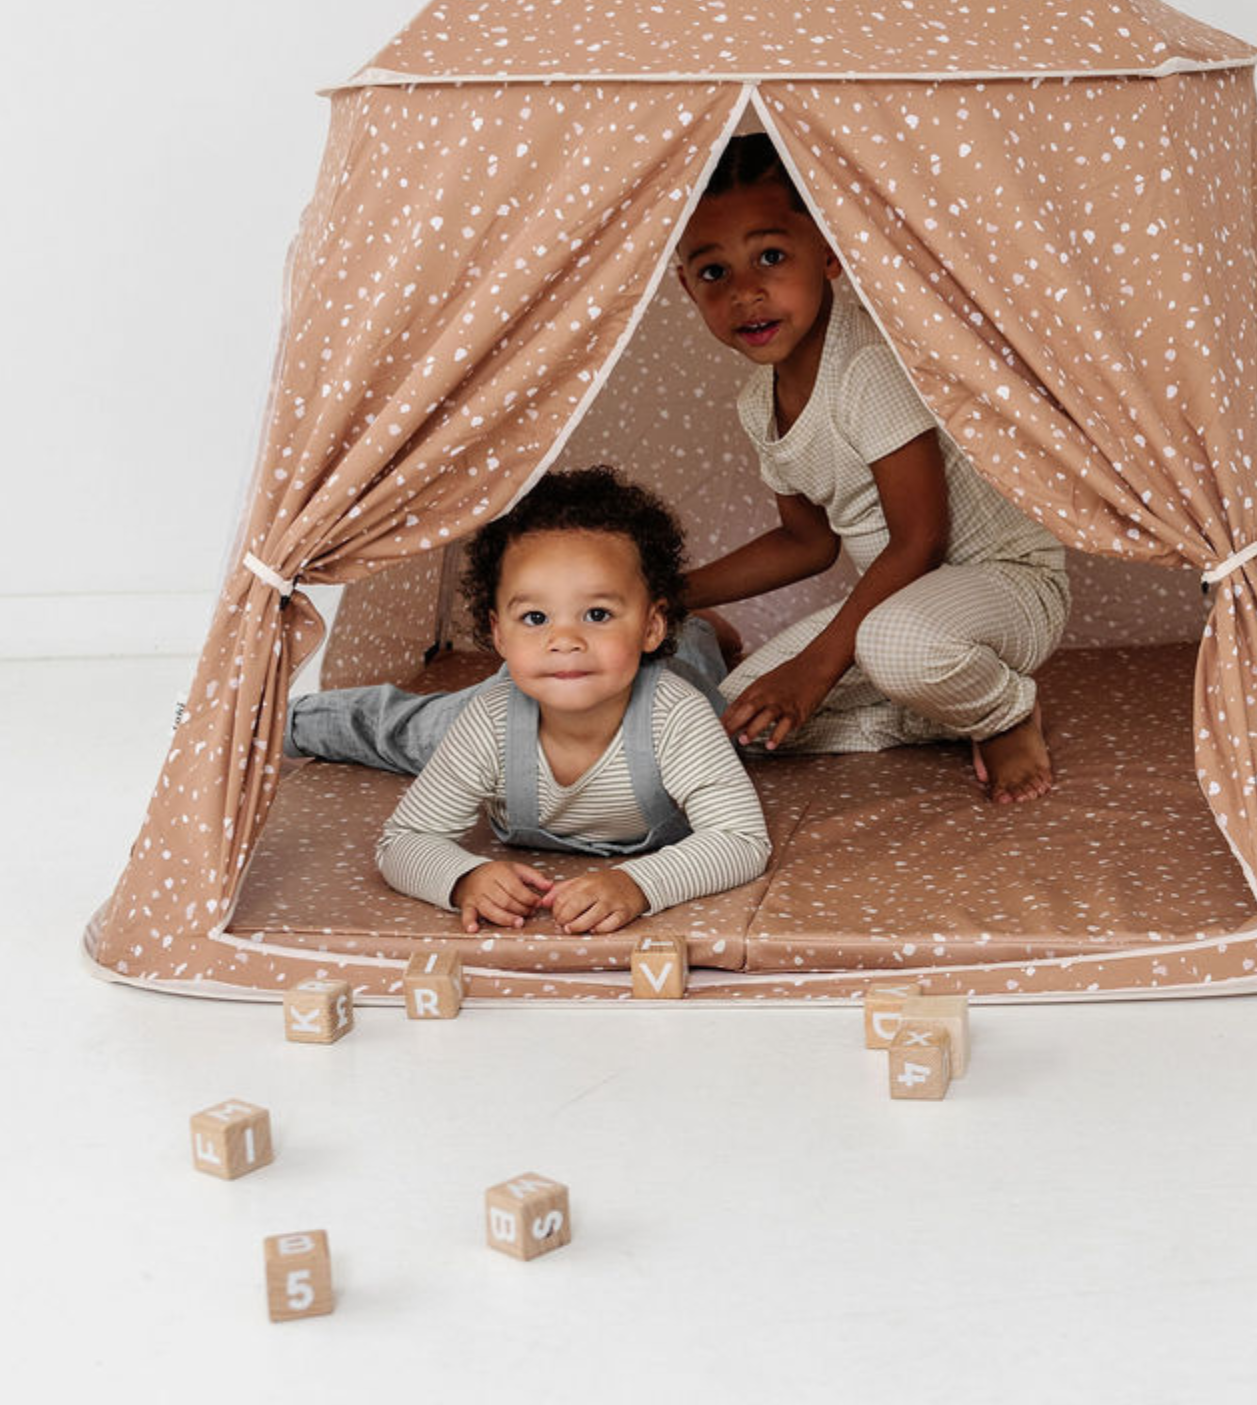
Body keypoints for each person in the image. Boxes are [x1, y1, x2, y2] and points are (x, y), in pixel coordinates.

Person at [676, 131, 1068, 803]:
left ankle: (1001, 709)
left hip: (1006, 587)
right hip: (905, 611)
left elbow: (921, 540)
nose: (745, 292)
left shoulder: (867, 365)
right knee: (735, 719)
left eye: (771, 257)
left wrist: (817, 668)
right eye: (714, 273)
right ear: (687, 286)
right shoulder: (755, 404)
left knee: (888, 645)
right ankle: (943, 704)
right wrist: (675, 593)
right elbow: (809, 542)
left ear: (830, 252)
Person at [285, 468, 770, 935]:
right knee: (407, 732)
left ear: (649, 626)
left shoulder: (677, 715)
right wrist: (461, 878)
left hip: (662, 674)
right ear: (497, 632)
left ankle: (699, 627)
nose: (564, 639)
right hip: (525, 696)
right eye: (536, 617)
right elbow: (403, 841)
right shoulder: (489, 721)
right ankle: (283, 719)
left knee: (706, 677)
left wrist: (638, 883)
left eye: (596, 613)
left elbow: (741, 840)